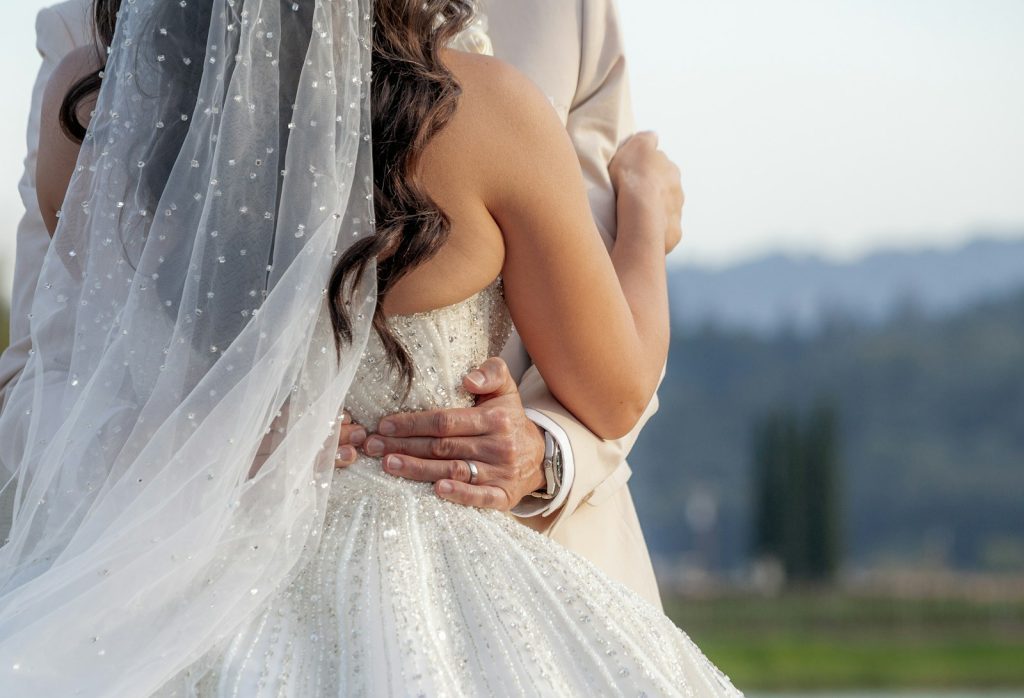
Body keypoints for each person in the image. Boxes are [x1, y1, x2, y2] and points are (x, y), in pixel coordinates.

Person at [0, 0, 741, 695]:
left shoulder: (106, 103)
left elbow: (81, 354)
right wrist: (646, 221)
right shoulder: (488, 113)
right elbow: (615, 390)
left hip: (176, 579)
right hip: (451, 584)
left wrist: (202, 430)